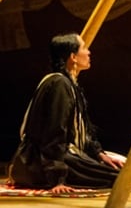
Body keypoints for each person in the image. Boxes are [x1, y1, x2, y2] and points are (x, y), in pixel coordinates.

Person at [9, 33, 124, 193]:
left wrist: (99, 154)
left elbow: (82, 128)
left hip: (58, 155)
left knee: (125, 172)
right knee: (122, 178)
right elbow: (54, 133)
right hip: (41, 162)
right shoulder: (59, 84)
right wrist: (57, 179)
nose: (89, 52)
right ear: (73, 57)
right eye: (84, 48)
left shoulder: (68, 83)